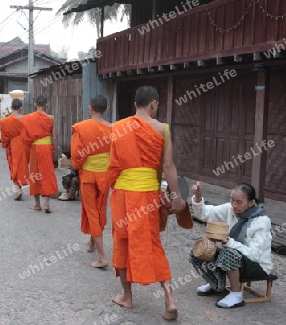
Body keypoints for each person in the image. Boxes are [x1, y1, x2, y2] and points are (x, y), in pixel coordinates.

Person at [108, 86, 185, 321]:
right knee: (152, 244)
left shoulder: (118, 127)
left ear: (135, 105)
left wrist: (111, 188)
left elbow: (113, 165)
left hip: (123, 193)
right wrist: (176, 196)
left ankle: (127, 297)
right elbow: (169, 166)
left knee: (122, 242)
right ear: (154, 104)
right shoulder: (163, 129)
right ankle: (169, 299)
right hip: (148, 194)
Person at [189, 182, 272, 308]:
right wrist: (198, 197)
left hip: (257, 264)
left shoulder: (261, 222)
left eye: (239, 202)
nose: (234, 205)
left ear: (251, 203)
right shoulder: (230, 209)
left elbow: (255, 255)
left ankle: (236, 294)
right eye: (232, 200)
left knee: (228, 253)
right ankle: (216, 283)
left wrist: (229, 242)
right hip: (236, 255)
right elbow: (205, 214)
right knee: (201, 249)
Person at [71, 95, 112, 268]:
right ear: (106, 109)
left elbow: (77, 155)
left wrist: (78, 167)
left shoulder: (82, 128)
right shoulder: (114, 129)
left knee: (92, 212)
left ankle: (103, 258)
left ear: (90, 108)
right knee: (99, 210)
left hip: (88, 175)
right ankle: (92, 243)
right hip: (105, 176)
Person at [21, 96, 58, 213]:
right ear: (46, 105)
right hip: (46, 148)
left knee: (35, 174)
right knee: (47, 173)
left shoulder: (28, 118)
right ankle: (46, 203)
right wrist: (55, 151)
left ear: (35, 104)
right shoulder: (50, 118)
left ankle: (37, 204)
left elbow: (25, 137)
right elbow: (54, 137)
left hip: (34, 148)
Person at [0, 98, 30, 200]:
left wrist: (5, 144)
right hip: (24, 144)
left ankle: (18, 188)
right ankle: (19, 187)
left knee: (14, 165)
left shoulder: (5, 121)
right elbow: (30, 133)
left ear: (11, 107)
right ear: (21, 108)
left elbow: (4, 136)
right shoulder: (26, 119)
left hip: (13, 144)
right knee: (22, 165)